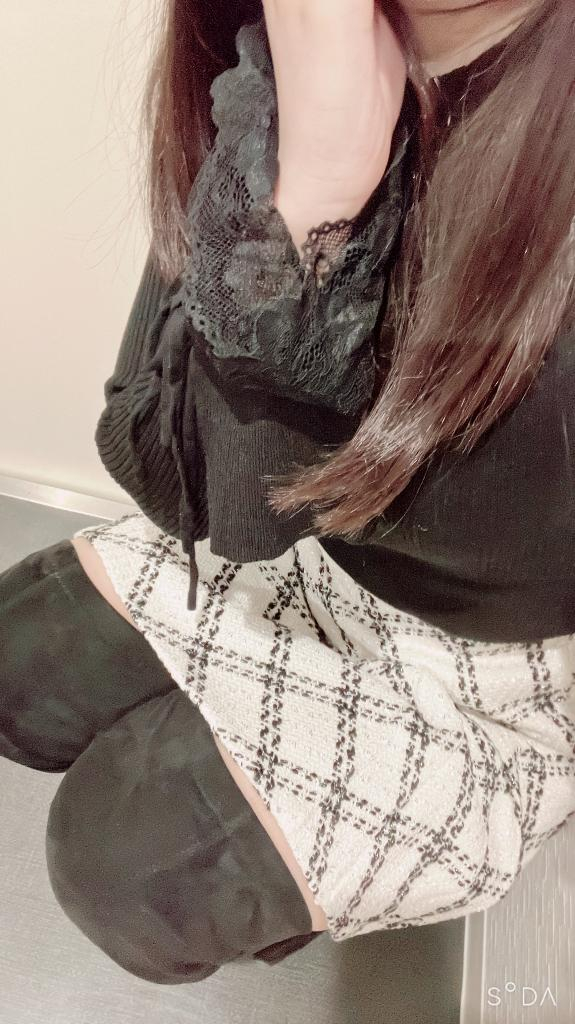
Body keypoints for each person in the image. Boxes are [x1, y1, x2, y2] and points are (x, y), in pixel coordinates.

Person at [2, 0, 574, 987]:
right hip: (311, 543)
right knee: (17, 666)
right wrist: (306, 181)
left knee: (128, 869)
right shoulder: (297, 36)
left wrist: (319, 229)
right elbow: (165, 469)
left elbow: (492, 532)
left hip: (503, 661)